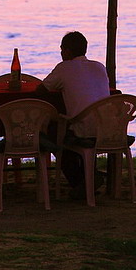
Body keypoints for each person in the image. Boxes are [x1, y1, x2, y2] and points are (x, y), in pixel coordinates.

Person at [38, 30, 110, 197]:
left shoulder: (64, 68)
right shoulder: (99, 66)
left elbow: (40, 89)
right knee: (64, 131)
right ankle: (88, 177)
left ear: (67, 51)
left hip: (84, 128)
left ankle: (80, 182)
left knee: (54, 134)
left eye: (62, 49)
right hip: (108, 128)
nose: (61, 53)